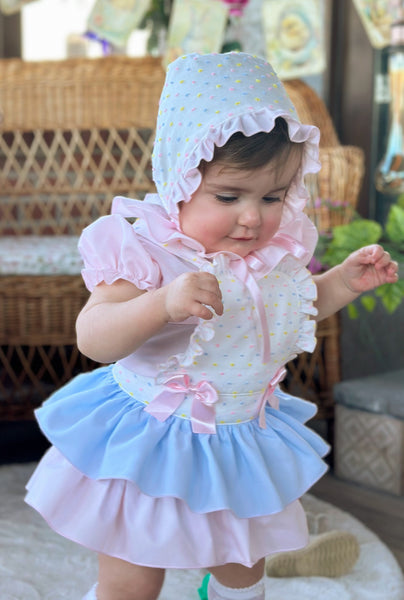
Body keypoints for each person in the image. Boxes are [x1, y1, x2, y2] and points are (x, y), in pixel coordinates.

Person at [25, 52, 398, 600]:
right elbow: (95, 336)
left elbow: (295, 308)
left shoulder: (270, 256)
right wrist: (161, 304)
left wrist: (343, 282)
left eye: (272, 197)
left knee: (242, 569)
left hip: (236, 441)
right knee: (132, 581)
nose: (253, 217)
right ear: (179, 180)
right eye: (229, 196)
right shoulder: (147, 249)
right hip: (153, 442)